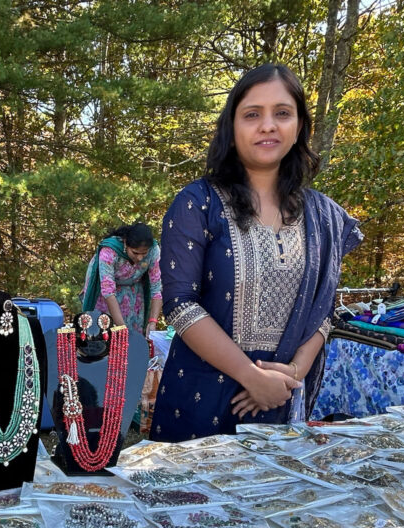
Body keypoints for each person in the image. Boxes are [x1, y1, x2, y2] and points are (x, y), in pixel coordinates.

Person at [152, 63, 363, 442]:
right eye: (253, 114)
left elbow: (323, 309)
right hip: (202, 398)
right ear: (232, 128)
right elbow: (181, 304)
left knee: (276, 499)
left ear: (299, 126)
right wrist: (252, 377)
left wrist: (291, 376)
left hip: (283, 400)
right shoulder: (197, 203)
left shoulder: (324, 216)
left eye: (282, 113)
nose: (268, 125)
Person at [81, 222, 163, 336]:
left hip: (133, 291)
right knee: (105, 333)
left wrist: (153, 322)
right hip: (105, 294)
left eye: (144, 254)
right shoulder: (109, 251)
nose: (139, 258)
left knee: (134, 334)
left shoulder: (154, 250)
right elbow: (108, 291)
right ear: (125, 243)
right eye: (135, 252)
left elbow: (156, 288)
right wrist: (121, 328)